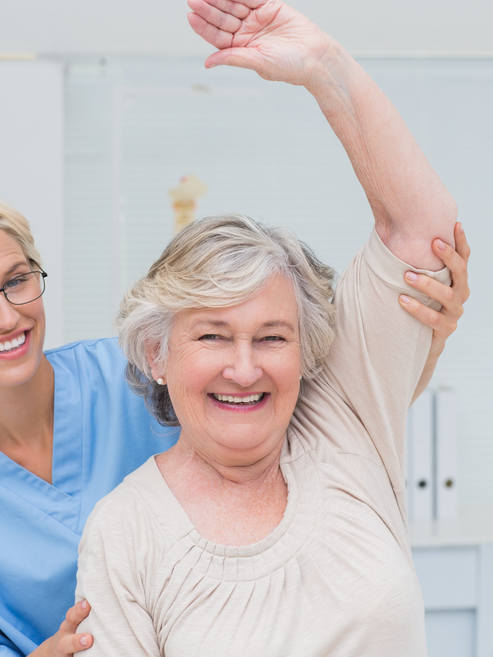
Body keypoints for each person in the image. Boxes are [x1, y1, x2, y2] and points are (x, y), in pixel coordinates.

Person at [0, 7, 468, 657]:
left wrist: (325, 67)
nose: (5, 314)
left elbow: (409, 259)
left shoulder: (141, 376)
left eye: (17, 280)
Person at [70, 1, 470, 655]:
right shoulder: (125, 530)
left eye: (272, 336)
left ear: (305, 349)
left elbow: (421, 229)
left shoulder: (344, 419)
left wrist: (324, 67)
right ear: (157, 353)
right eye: (211, 335)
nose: (244, 366)